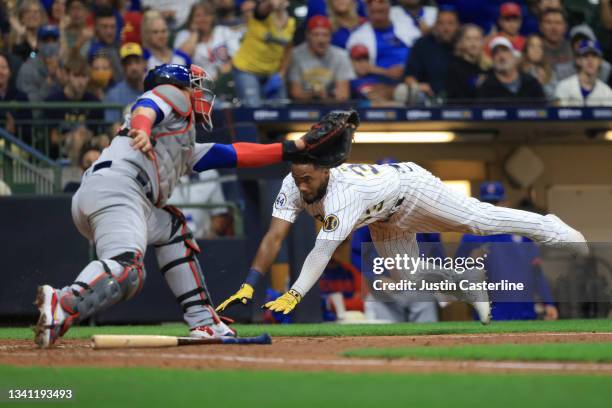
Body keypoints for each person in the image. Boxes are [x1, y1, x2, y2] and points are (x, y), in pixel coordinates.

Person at [33, 63, 344, 347]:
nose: (198, 92)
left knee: (173, 230)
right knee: (128, 269)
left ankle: (203, 321)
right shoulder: (169, 96)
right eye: (193, 86)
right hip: (119, 190)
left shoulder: (182, 141)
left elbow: (234, 153)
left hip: (117, 196)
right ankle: (63, 301)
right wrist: (142, 127)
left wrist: (295, 147)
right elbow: (148, 106)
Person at [216, 161, 587, 320]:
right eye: (297, 177)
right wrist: (251, 283)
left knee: (478, 220)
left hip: (411, 189)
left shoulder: (343, 197)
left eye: (308, 178)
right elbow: (274, 235)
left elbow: (321, 250)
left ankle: (550, 227)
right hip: (384, 217)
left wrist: (295, 293)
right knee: (408, 279)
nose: (302, 184)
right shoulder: (292, 183)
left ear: (325, 170)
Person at [455, 182, 559, 321]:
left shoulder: (522, 235)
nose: (492, 207)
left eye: (496, 202)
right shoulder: (471, 237)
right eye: (488, 203)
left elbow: (537, 273)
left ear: (506, 204)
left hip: (524, 311)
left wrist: (548, 302)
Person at [231, 0, 296, 106]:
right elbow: (262, 9)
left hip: (272, 72)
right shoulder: (261, 14)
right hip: (247, 70)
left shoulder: (291, 21)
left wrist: (281, 74)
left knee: (281, 110)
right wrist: (270, 3)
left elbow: (288, 48)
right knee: (253, 109)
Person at [44, 55, 103, 161]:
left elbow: (98, 132)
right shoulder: (53, 101)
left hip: (89, 145)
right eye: (76, 76)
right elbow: (53, 139)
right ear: (67, 76)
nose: (81, 82)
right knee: (78, 137)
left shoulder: (94, 101)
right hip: (61, 150)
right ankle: (74, 172)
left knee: (104, 140)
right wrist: (72, 135)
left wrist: (87, 134)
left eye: (84, 76)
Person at [346, 0, 411, 94]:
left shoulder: (406, 26)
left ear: (389, 8)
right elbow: (359, 68)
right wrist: (387, 72)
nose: (377, 17)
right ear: (367, 12)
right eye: (373, 12)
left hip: (410, 77)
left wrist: (406, 69)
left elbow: (419, 51)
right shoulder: (358, 37)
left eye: (380, 11)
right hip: (378, 81)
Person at [288, 16, 354, 102]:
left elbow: (343, 95)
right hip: (302, 108)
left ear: (330, 37)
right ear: (307, 35)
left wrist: (325, 96)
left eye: (325, 35)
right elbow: (295, 93)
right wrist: (314, 94)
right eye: (316, 34)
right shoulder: (295, 55)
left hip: (332, 108)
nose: (321, 40)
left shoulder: (341, 55)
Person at [403, 7, 460, 100]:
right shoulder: (422, 45)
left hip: (463, 102)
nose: (446, 28)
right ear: (435, 26)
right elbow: (409, 76)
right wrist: (417, 86)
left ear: (458, 26)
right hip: (429, 101)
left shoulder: (463, 44)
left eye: (450, 23)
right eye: (441, 23)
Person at [174, 2, 240, 80]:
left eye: (206, 15)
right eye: (198, 16)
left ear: (212, 17)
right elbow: (181, 58)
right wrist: (195, 32)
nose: (203, 19)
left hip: (225, 78)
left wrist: (223, 71)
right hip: (197, 82)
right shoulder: (184, 35)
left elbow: (237, 55)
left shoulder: (223, 31)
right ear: (191, 19)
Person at [477, 36, 545, 104]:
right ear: (493, 59)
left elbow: (544, 110)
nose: (501, 56)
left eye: (505, 51)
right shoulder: (487, 87)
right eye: (496, 53)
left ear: (514, 55)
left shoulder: (531, 83)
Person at [166, 170, 231, 239]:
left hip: (202, 242)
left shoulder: (210, 173)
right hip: (167, 242)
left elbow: (219, 215)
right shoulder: (162, 171)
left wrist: (209, 235)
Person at [554, 40, 612, 106]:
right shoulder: (564, 86)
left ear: (600, 61)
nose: (590, 60)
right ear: (578, 60)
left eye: (594, 56)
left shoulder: (607, 92)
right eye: (585, 56)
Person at [16, 25, 63, 102]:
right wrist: (50, 80)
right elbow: (32, 104)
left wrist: (64, 82)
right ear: (38, 43)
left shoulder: (63, 65)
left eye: (54, 40)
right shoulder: (27, 68)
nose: (50, 44)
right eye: (46, 41)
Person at [104, 42, 147, 125]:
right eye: (129, 63)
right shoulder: (114, 94)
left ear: (144, 64)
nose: (133, 67)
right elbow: (114, 127)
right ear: (123, 67)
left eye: (137, 62)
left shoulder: (153, 89)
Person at [445, 24, 489, 102]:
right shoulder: (454, 68)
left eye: (477, 39)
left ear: (483, 42)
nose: (473, 43)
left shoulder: (488, 68)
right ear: (461, 42)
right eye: (468, 39)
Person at [82, 6, 123, 81]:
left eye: (112, 27)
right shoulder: (88, 48)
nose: (109, 31)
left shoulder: (119, 45)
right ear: (96, 28)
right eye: (104, 27)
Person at [0, 52, 31, 143]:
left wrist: (14, 129)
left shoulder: (21, 97)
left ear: (10, 72)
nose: (0, 72)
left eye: (4, 68)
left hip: (18, 146)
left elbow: (28, 130)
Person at [539, 8, 573, 81]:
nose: (554, 28)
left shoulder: (573, 49)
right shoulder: (533, 48)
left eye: (558, 23)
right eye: (548, 22)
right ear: (541, 27)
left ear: (565, 27)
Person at [520, 34, 558, 100]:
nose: (536, 50)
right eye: (532, 46)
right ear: (525, 50)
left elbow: (553, 97)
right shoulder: (518, 72)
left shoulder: (550, 72)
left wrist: (542, 85)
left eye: (540, 47)